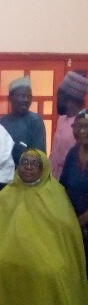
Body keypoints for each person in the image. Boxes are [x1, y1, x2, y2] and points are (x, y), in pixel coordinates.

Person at [0, 149, 88, 305]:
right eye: (24, 162)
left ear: (43, 168)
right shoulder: (6, 193)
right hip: (7, 248)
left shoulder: (56, 193)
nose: (28, 167)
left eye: (34, 163)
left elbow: (65, 231)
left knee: (48, 271)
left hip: (49, 250)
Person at [60, 111, 88, 271]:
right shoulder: (73, 152)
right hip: (73, 224)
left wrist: (81, 221)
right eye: (77, 127)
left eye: (86, 127)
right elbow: (63, 186)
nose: (81, 131)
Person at [0, 76, 47, 165]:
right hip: (4, 175)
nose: (26, 100)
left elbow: (39, 155)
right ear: (10, 98)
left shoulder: (35, 121)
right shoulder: (2, 122)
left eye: (29, 96)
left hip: (26, 175)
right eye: (21, 96)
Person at [51, 71, 88, 179]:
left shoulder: (84, 123)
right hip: (54, 181)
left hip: (73, 180)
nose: (57, 100)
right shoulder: (62, 119)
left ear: (69, 98)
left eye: (59, 96)